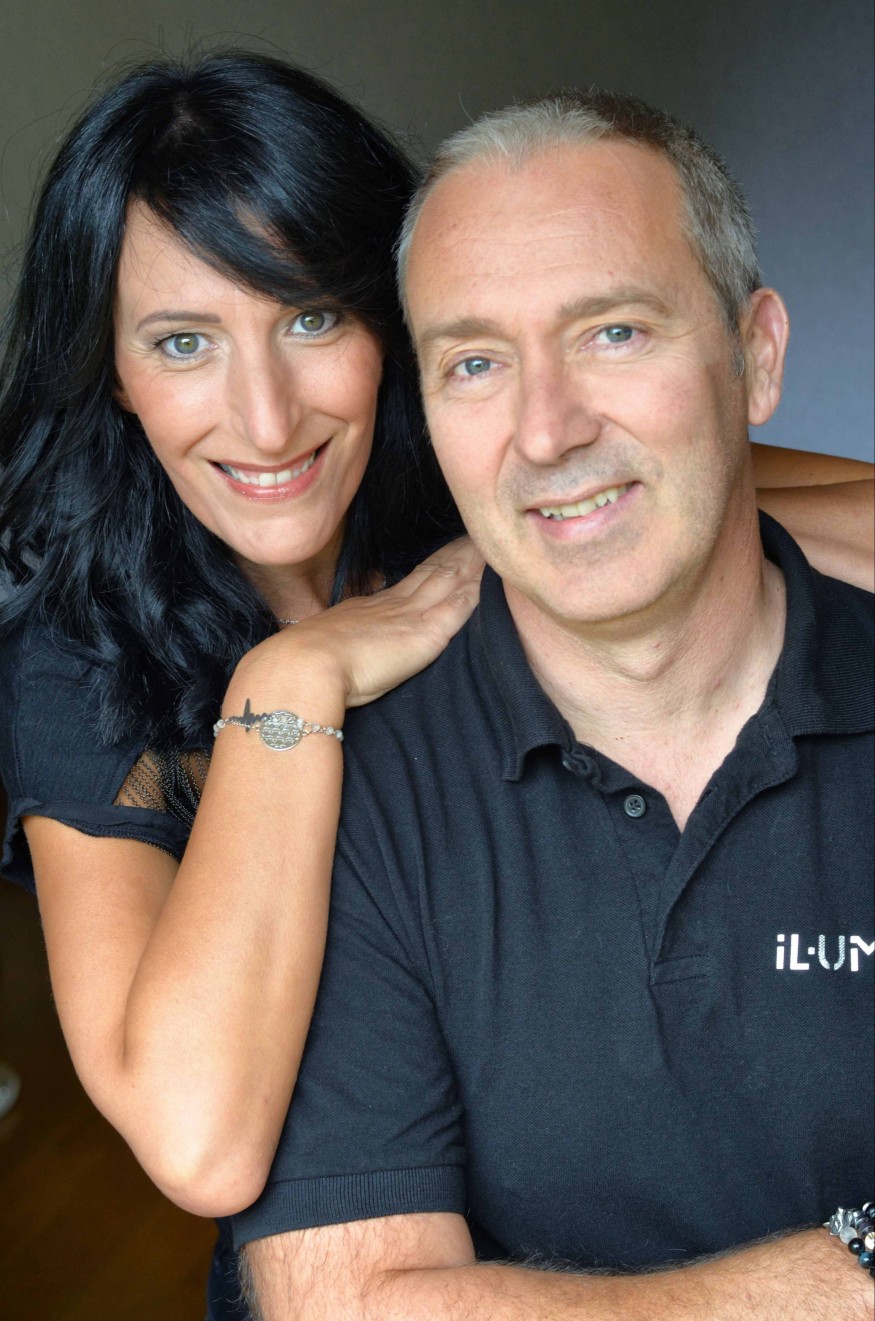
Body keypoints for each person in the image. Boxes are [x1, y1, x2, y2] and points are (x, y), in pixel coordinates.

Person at [232, 91, 875, 1320]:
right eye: (475, 362)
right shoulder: (339, 790)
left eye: (612, 332)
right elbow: (351, 1305)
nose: (545, 430)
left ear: (755, 356)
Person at [0, 50, 483, 1320]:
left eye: (311, 318)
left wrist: (541, 525)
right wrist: (297, 672)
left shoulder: (477, 484)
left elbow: (725, 497)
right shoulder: (79, 657)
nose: (265, 420)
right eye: (182, 342)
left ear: (388, 319)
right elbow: (199, 1140)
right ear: (113, 373)